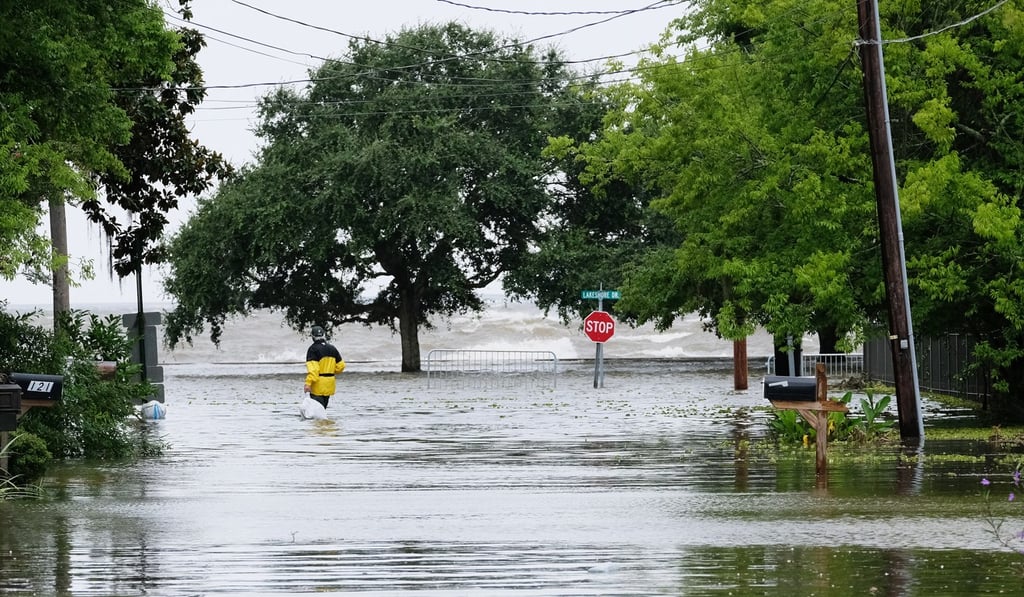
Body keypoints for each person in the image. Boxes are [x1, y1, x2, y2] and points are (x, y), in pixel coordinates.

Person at [304, 325, 345, 409]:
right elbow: (341, 366)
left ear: (312, 336)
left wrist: (308, 383)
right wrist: (330, 370)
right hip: (330, 384)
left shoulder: (313, 349)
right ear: (323, 335)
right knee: (323, 408)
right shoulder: (332, 348)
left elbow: (314, 370)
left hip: (318, 385)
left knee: (317, 411)